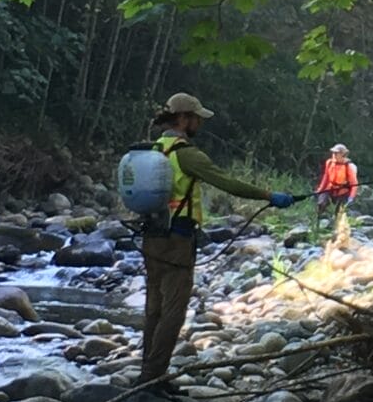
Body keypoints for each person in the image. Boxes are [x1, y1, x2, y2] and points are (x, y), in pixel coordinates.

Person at [139, 92, 295, 387]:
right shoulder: (187, 153)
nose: (200, 123)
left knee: (153, 310)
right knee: (173, 310)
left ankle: (148, 370)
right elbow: (228, 183)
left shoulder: (155, 149)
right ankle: (152, 378)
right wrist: (269, 196)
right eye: (196, 118)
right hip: (177, 241)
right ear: (184, 119)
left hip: (151, 238)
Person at [312, 143, 359, 228]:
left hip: (343, 191)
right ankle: (317, 225)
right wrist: (320, 190)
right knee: (321, 204)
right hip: (330, 189)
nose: (334, 155)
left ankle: (337, 229)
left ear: (342, 154)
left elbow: (354, 183)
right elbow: (326, 177)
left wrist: (351, 197)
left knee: (339, 212)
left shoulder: (348, 166)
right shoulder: (329, 163)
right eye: (333, 153)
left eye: (336, 153)